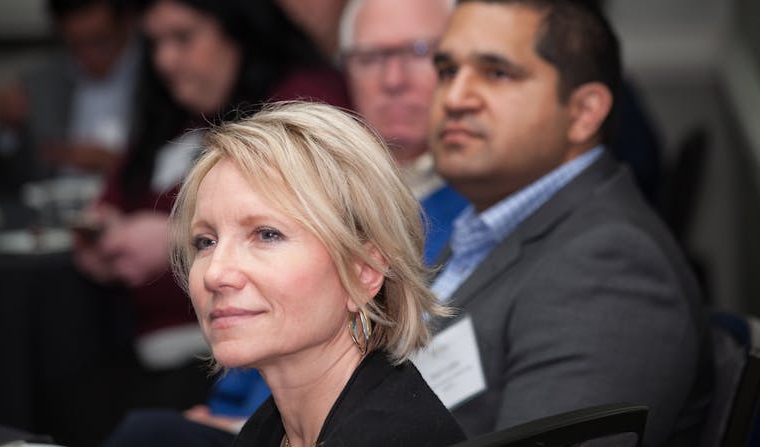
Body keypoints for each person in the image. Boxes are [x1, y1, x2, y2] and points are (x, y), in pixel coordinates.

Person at [425, 1, 712, 445]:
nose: (456, 97)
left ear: (583, 112)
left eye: (497, 73)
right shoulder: (481, 224)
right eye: (447, 71)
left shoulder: (612, 267)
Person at [66, 1, 349, 445]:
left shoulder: (300, 103)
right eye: (155, 42)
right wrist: (101, 234)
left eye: (183, 38)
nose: (165, 59)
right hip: (148, 348)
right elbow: (113, 194)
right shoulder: (173, 108)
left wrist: (180, 241)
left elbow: (310, 225)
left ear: (239, 30)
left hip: (240, 362)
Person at [169, 101, 467, 447]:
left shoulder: (395, 437)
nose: (215, 273)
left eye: (266, 234)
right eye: (206, 241)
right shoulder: (268, 431)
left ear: (364, 272)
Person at [338, 0, 467, 265]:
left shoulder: (497, 193)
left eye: (420, 52)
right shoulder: (320, 192)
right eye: (369, 58)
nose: (393, 80)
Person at [0, 0, 139, 198]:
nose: (88, 56)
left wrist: (119, 164)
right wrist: (8, 131)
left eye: (99, 41)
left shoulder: (161, 76)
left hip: (138, 212)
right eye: (75, 45)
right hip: (54, 215)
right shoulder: (39, 83)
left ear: (128, 23)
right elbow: (9, 187)